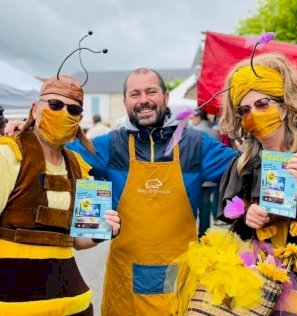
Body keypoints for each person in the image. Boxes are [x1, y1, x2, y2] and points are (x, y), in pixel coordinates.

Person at [63, 68, 236, 315]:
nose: (143, 99)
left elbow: (246, 169)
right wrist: (28, 134)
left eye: (151, 91)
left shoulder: (197, 145)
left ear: (166, 98)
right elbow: (55, 155)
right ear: (125, 103)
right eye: (135, 94)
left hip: (179, 280)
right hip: (125, 282)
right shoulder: (109, 146)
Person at [0, 75, 120, 315]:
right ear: (35, 109)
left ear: (80, 119)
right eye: (55, 105)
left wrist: (104, 231)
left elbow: (78, 241)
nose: (64, 113)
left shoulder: (78, 167)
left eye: (73, 110)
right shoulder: (9, 154)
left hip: (70, 303)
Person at [218, 52, 297, 315]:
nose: (254, 115)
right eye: (245, 110)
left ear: (283, 108)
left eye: (262, 104)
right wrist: (246, 216)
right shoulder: (243, 165)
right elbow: (236, 232)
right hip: (260, 292)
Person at [189, 109, 223, 237]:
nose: (191, 120)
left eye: (192, 118)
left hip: (197, 175)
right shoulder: (214, 132)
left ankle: (196, 234)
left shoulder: (194, 133)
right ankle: (204, 233)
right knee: (206, 205)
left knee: (193, 207)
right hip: (213, 174)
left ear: (198, 117)